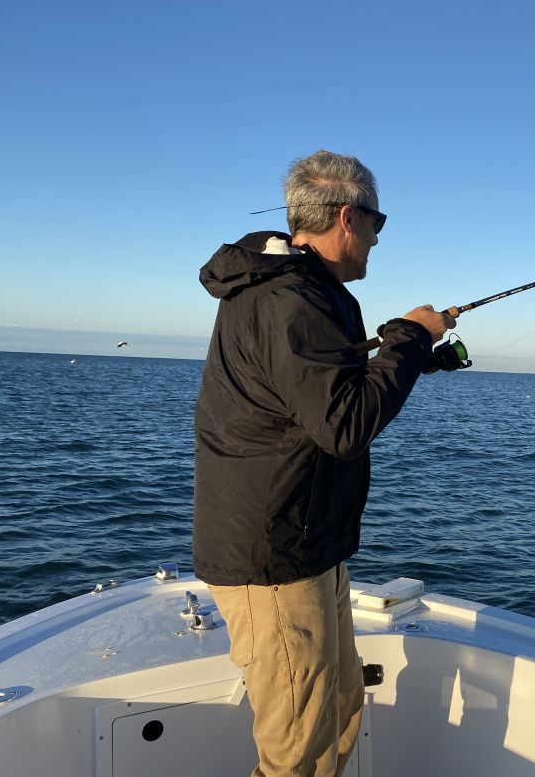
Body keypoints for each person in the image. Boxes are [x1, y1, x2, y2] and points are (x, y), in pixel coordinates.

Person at [193, 150, 454, 776]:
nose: (374, 238)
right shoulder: (292, 299)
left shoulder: (298, 292)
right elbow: (345, 424)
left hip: (306, 546)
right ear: (347, 217)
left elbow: (318, 395)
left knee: (336, 711)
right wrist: (413, 338)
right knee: (296, 747)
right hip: (275, 559)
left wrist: (410, 357)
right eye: (376, 223)